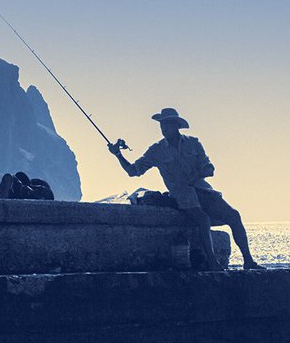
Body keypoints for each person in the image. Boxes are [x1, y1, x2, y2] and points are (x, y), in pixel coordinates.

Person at [108, 107, 263, 270]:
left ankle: (248, 261)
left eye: (166, 124)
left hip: (204, 191)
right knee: (203, 220)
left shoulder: (194, 143)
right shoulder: (156, 150)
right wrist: (118, 155)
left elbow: (209, 168)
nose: (163, 128)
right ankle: (212, 262)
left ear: (176, 125)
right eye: (161, 125)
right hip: (181, 196)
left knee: (234, 215)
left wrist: (198, 173)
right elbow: (133, 171)